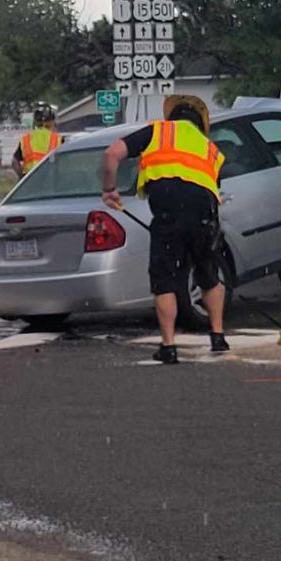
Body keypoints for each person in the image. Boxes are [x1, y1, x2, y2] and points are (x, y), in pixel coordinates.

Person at [98, 94, 226, 364]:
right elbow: (215, 190)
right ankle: (218, 336)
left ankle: (168, 346)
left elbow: (112, 154)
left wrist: (109, 189)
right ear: (200, 123)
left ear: (172, 118)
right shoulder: (210, 148)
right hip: (204, 216)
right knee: (208, 274)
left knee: (165, 280)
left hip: (168, 216)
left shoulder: (157, 131)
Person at [14, 106, 62, 177]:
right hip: (51, 179)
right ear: (52, 122)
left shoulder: (26, 139)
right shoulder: (58, 139)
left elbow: (14, 161)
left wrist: (22, 177)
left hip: (31, 179)